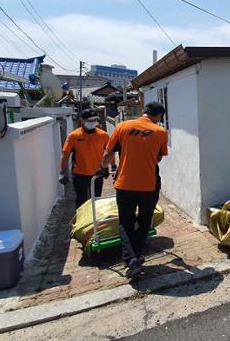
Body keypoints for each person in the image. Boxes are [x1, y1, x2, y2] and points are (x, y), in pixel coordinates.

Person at [100, 102, 168, 278]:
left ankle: (133, 260)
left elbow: (108, 153)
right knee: (145, 222)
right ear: (158, 116)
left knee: (126, 222)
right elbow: (158, 158)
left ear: (144, 112)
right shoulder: (161, 132)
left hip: (125, 185)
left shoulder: (122, 126)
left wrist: (103, 168)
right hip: (149, 184)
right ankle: (135, 257)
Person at [60, 108, 109, 209]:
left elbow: (109, 152)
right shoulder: (73, 136)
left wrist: (111, 166)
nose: (93, 122)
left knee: (96, 200)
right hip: (79, 174)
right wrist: (63, 172)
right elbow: (65, 155)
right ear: (82, 120)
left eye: (95, 120)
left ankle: (94, 223)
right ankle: (81, 222)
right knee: (81, 200)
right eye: (90, 120)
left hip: (97, 173)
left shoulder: (103, 135)